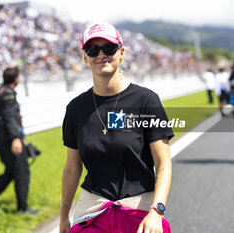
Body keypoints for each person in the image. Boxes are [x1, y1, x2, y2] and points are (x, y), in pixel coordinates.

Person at [59, 22, 174, 233]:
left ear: (121, 53)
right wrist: (64, 215)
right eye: (93, 49)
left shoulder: (146, 100)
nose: (101, 54)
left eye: (109, 48)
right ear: (85, 57)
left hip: (140, 210)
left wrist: (156, 212)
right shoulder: (76, 108)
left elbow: (163, 163)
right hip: (92, 210)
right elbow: (72, 168)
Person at [0, 67, 39, 215]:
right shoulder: (9, 94)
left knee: (11, 171)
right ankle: (22, 209)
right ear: (16, 79)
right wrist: (16, 138)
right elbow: (9, 117)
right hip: (9, 139)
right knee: (22, 172)